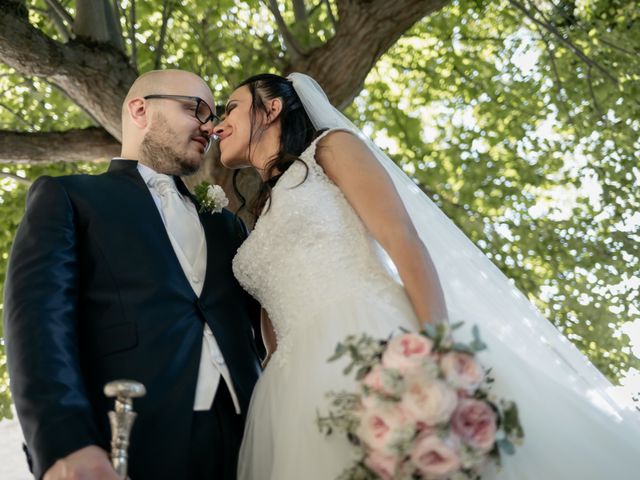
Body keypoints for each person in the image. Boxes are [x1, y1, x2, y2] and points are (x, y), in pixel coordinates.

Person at [214, 72, 640, 479]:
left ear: (270, 109)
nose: (217, 125)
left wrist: (439, 355)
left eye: (229, 109)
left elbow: (404, 241)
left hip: (371, 338)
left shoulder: (330, 150)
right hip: (293, 386)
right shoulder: (257, 214)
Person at [3, 69, 262, 480]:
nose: (210, 126)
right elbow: (37, 324)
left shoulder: (227, 225)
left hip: (254, 437)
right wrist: (63, 443)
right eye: (197, 109)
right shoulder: (69, 197)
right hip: (133, 439)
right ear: (140, 109)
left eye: (213, 116)